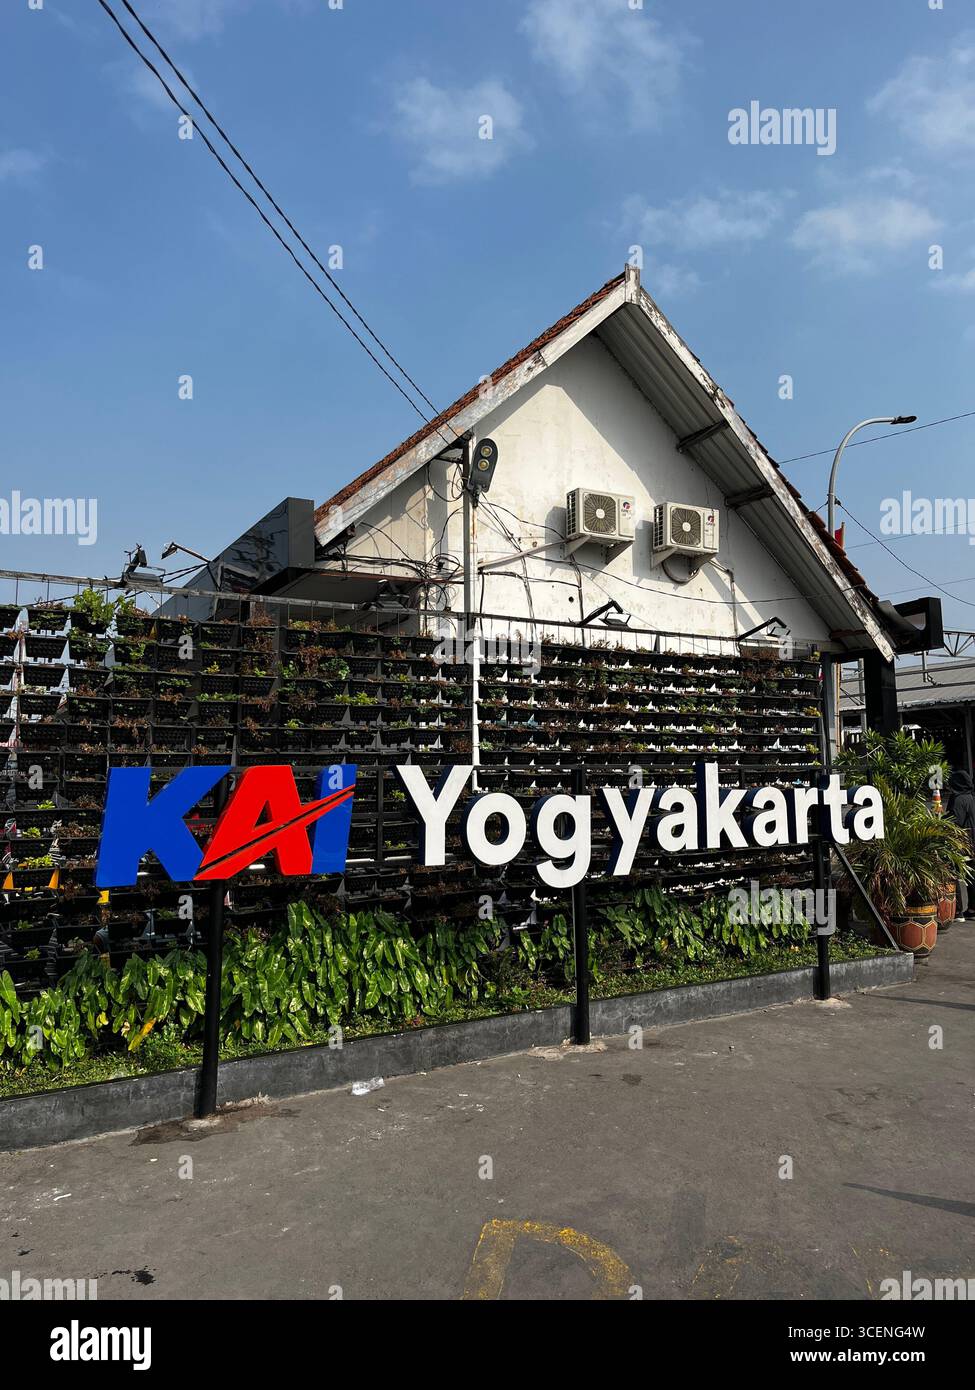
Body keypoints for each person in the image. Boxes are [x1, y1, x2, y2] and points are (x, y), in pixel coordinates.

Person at [946, 769, 975, 921]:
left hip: (961, 844)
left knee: (953, 873)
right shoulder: (970, 797)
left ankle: (957, 911)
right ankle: (972, 909)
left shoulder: (958, 799)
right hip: (972, 842)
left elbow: (954, 821)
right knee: (971, 876)